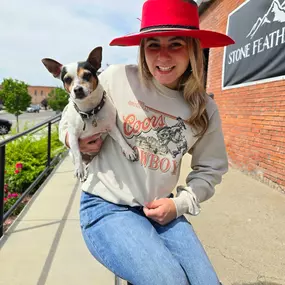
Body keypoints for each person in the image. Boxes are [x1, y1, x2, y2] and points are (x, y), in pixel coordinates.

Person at [59, 0, 234, 284]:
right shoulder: (116, 79)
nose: (163, 56)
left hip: (162, 211)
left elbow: (211, 169)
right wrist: (72, 139)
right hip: (106, 205)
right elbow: (68, 118)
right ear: (142, 49)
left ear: (192, 48)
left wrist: (180, 205)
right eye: (153, 44)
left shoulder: (204, 109)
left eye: (175, 44)